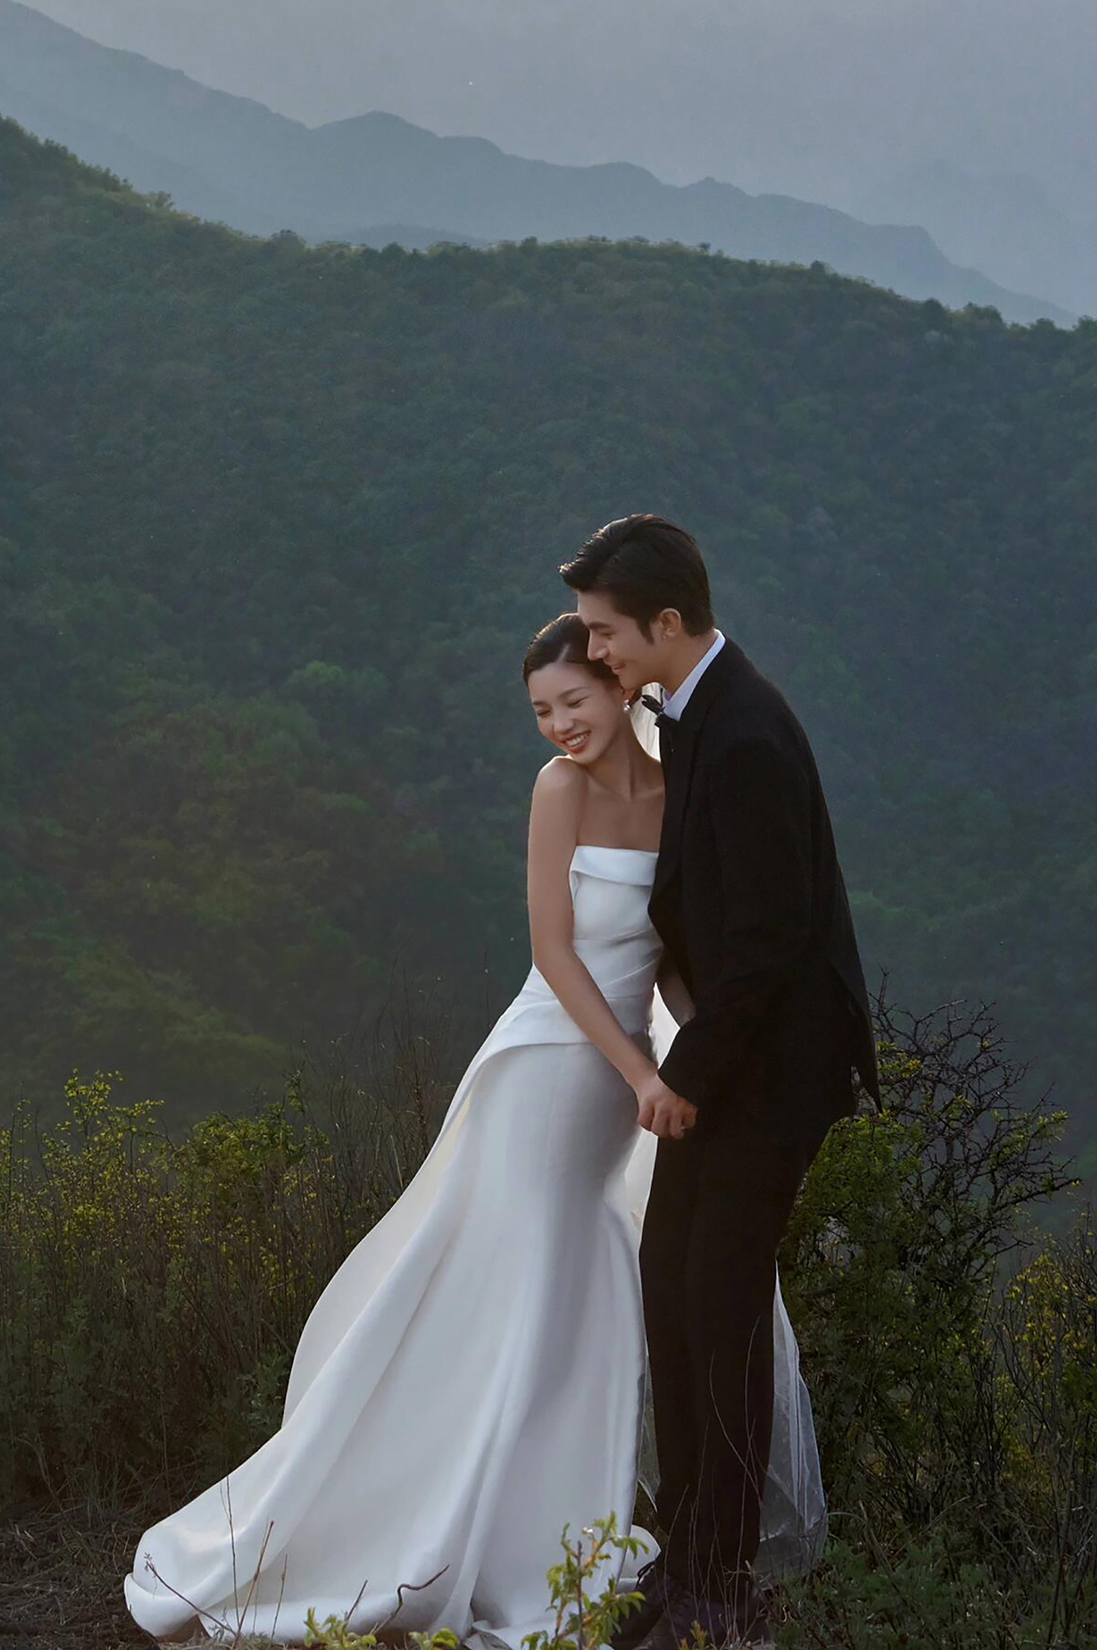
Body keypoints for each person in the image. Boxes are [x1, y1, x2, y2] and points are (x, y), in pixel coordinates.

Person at [123, 608, 826, 1649]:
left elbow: (678, 953)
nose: (558, 725)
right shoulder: (559, 791)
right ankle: (453, 1521)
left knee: (579, 1276)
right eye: (540, 711)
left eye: (572, 700)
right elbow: (554, 953)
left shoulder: (683, 788)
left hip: (624, 1077)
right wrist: (643, 1070)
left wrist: (702, 1059)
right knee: (520, 1268)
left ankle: (553, 1527)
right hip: (550, 1065)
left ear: (618, 685)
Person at [563, 515, 878, 1650]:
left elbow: (768, 944)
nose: (594, 651)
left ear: (665, 621)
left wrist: (679, 1077)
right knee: (672, 1287)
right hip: (730, 1057)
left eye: (605, 633)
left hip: (771, 1071)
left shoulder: (742, 732)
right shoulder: (695, 709)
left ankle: (722, 1586)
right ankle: (684, 1555)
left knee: (722, 1308)